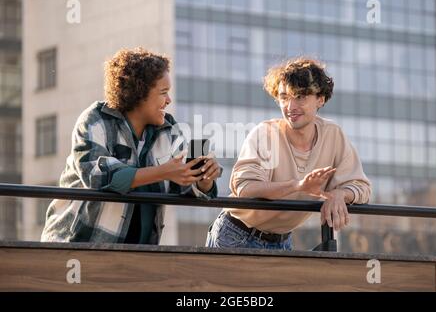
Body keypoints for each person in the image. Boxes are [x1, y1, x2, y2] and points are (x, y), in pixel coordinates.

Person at [41, 47, 221, 244]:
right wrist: (163, 171)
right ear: (139, 92)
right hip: (77, 244)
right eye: (163, 93)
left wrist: (204, 178)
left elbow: (185, 187)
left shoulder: (169, 130)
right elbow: (99, 178)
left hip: (139, 252)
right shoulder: (95, 120)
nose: (169, 100)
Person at [206, 57, 371, 250]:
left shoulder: (333, 135)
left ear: (321, 99)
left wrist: (339, 194)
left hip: (282, 240)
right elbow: (245, 187)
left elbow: (361, 187)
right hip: (236, 234)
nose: (291, 107)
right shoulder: (265, 134)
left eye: (300, 96)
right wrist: (298, 186)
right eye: (284, 97)